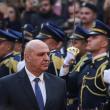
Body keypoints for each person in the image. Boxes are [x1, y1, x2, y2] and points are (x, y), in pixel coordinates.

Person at [0, 40, 66, 110]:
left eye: (48, 54)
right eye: (41, 54)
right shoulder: (6, 84)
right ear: (27, 57)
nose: (47, 59)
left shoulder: (59, 83)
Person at [68, 20, 110, 109]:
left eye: (94, 37)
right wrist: (66, 66)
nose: (88, 39)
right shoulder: (86, 64)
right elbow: (70, 90)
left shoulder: (106, 66)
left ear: (104, 43)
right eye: (89, 36)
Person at [59, 26, 90, 110]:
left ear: (86, 44)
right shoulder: (74, 59)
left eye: (75, 43)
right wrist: (66, 64)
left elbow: (71, 85)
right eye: (71, 42)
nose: (72, 46)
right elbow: (62, 82)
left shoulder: (88, 61)